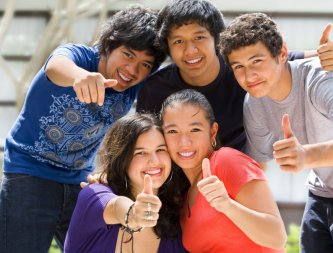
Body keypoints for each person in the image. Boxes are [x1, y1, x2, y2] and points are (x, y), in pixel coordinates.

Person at [0, 5, 166, 253]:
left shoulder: (135, 86)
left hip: (81, 182)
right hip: (30, 176)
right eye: (128, 55)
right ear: (108, 45)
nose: (133, 70)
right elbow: (57, 65)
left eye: (145, 64)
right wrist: (80, 77)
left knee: (104, 246)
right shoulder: (77, 57)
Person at [219, 12, 333, 253]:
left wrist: (305, 155)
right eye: (238, 66)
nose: (248, 75)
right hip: (321, 191)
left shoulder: (322, 81)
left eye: (256, 62)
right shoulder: (255, 103)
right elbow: (256, 168)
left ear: (282, 53)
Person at [136, 0, 333, 152]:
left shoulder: (242, 66)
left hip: (239, 171)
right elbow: (145, 144)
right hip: (178, 181)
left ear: (216, 39)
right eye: (178, 41)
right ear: (168, 48)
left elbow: (320, 56)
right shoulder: (155, 90)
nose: (190, 50)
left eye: (199, 37)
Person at [160, 89, 287, 253]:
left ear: (212, 132)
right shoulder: (183, 197)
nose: (184, 141)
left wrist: (228, 206)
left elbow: (277, 237)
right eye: (172, 131)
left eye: (195, 130)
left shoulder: (226, 161)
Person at [64, 113, 187, 253]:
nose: (155, 160)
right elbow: (115, 207)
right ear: (122, 159)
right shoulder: (93, 195)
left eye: (160, 149)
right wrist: (133, 214)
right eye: (140, 153)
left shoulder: (178, 219)